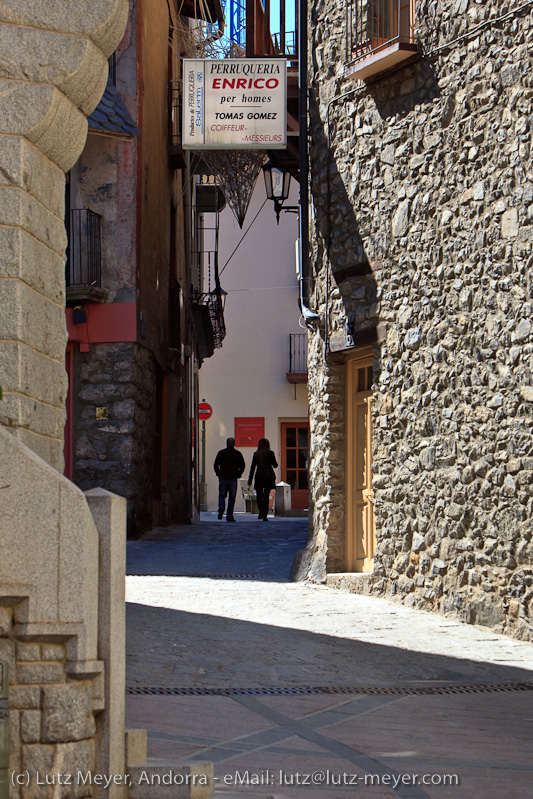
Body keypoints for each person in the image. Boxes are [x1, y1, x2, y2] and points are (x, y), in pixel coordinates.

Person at [213, 437, 245, 522]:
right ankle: (229, 515)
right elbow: (242, 465)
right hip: (233, 478)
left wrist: (219, 474)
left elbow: (216, 465)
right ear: (234, 444)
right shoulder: (237, 454)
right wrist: (238, 473)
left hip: (223, 477)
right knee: (232, 497)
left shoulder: (221, 453)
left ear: (226, 443)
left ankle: (221, 507)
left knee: (222, 494)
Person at [248, 438, 278, 521]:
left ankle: (261, 510)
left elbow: (253, 467)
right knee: (266, 495)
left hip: (259, 476)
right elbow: (275, 465)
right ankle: (265, 515)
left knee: (259, 495)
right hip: (268, 476)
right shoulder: (270, 453)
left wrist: (250, 479)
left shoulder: (256, 454)